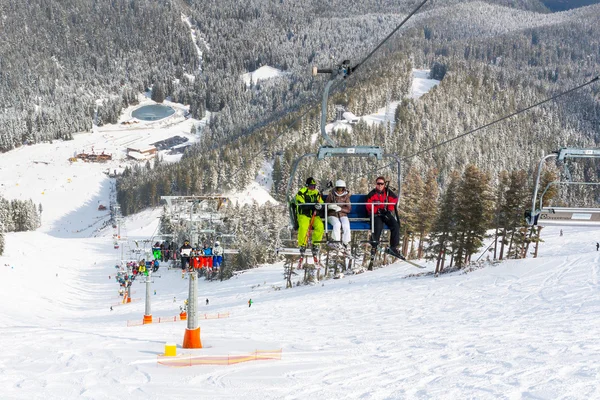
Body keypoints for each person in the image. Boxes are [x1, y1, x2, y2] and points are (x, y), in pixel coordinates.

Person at [366, 176, 402, 258]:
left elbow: (394, 199)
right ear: (376, 184)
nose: (380, 185)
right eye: (378, 183)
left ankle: (393, 247)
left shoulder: (387, 192)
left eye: (381, 184)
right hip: (375, 214)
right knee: (378, 226)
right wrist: (376, 210)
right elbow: (368, 205)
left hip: (385, 213)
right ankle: (374, 245)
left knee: (395, 225)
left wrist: (388, 209)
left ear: (384, 184)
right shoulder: (372, 194)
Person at [295, 177, 325, 256]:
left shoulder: (316, 193)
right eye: (311, 186)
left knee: (320, 226)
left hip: (314, 215)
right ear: (307, 185)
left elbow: (321, 203)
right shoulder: (301, 192)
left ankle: (316, 244)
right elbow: (302, 205)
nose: (313, 188)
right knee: (304, 227)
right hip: (304, 214)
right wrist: (313, 206)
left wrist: (320, 207)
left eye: (314, 186)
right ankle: (302, 244)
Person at [325, 179, 352, 250]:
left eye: (342, 189)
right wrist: (330, 206)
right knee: (337, 224)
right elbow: (326, 205)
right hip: (332, 214)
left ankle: (345, 242)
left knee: (346, 225)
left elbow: (349, 209)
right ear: (336, 188)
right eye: (338, 188)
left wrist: (340, 209)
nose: (340, 191)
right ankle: (336, 241)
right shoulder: (331, 195)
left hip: (342, 214)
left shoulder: (346, 196)